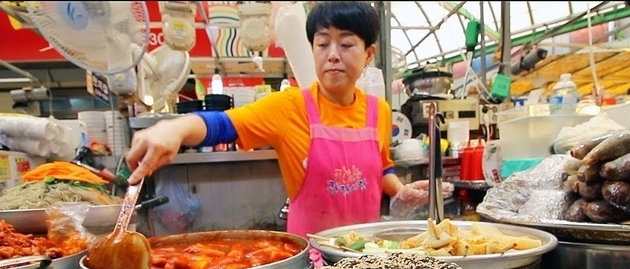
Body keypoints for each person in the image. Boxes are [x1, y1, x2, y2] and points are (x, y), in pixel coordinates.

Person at [126, 1, 445, 238]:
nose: (332, 54)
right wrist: (176, 128)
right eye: (322, 44)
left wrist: (398, 190)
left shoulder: (380, 110)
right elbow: (222, 124)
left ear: (369, 53)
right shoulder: (291, 106)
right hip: (312, 260)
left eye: (346, 44)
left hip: (368, 254)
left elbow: (382, 166)